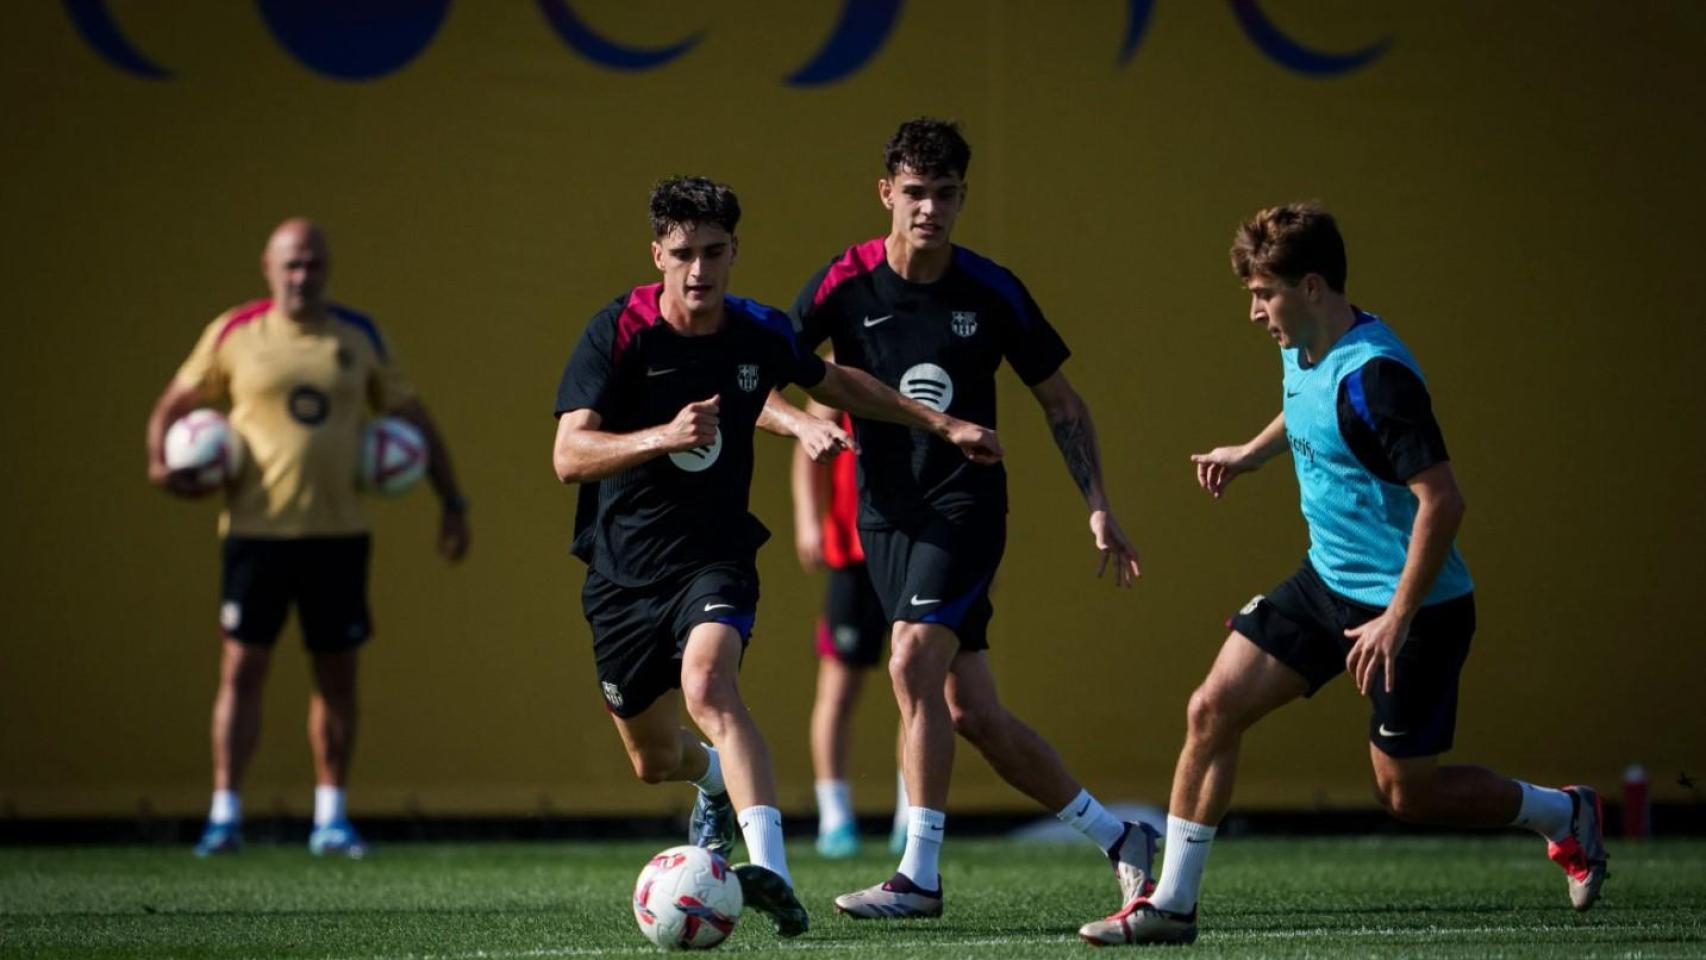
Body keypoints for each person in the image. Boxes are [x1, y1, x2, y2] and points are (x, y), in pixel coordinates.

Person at [1077, 203, 1608, 946]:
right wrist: (1250, 454)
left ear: (1315, 286)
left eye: (1265, 295)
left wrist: (1396, 615)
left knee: (1405, 792)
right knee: (1212, 709)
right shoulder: (1303, 343)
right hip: (1325, 585)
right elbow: (1304, 409)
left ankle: (1563, 813)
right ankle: (1173, 904)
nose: (1257, 313)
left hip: (1416, 609)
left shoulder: (1379, 379)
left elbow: (1443, 502)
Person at [550, 176, 1002, 938]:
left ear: (735, 253)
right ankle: (711, 783)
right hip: (622, 570)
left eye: (716, 252)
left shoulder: (756, 329)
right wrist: (664, 435)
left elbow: (835, 381)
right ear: (657, 253)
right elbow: (568, 454)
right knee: (654, 757)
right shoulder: (618, 332)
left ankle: (771, 874)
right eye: (684, 253)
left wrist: (940, 422)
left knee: (710, 683)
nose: (701, 271)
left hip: (716, 557)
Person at [772, 118, 1153, 920]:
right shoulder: (842, 284)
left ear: (962, 198)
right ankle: (1122, 839)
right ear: (886, 193)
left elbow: (1063, 404)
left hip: (966, 507)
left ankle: (920, 876)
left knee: (909, 661)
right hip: (882, 517)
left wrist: (1097, 506)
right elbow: (764, 375)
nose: (929, 210)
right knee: (971, 712)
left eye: (945, 195)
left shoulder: (992, 289)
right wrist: (800, 423)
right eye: (914, 193)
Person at [145, 218, 470, 859]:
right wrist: (163, 467)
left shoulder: (357, 336)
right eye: (291, 264)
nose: (302, 276)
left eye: (313, 265)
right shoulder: (235, 332)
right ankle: (225, 815)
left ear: (327, 269)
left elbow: (413, 418)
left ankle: (331, 818)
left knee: (337, 678)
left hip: (337, 537)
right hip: (255, 536)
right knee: (241, 671)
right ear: (268, 267)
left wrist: (451, 501)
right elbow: (170, 406)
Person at [790, 398, 908, 859]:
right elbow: (808, 444)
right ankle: (834, 816)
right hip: (854, 552)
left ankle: (910, 815)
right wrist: (808, 519)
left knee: (918, 686)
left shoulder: (923, 350)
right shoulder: (839, 366)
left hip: (913, 550)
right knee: (838, 690)